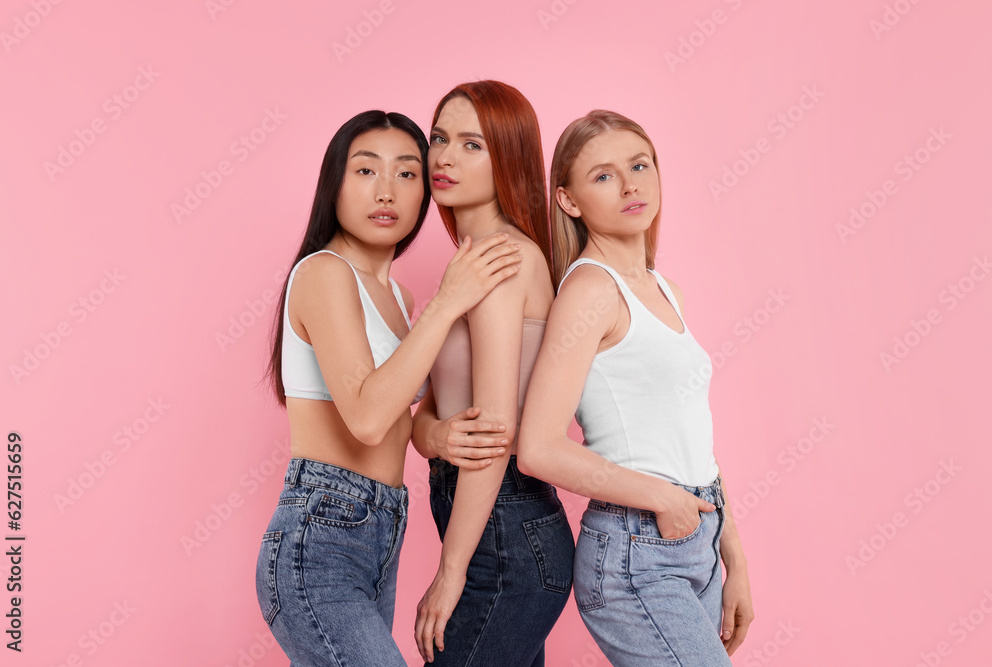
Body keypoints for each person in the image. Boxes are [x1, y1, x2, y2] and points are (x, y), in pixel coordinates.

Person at [254, 109, 522, 666]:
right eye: (365, 170)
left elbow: (402, 418)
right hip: (320, 536)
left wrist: (437, 434)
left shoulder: (399, 300)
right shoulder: (324, 273)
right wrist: (448, 303)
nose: (386, 191)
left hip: (381, 531)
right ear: (334, 183)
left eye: (406, 173)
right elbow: (368, 418)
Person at [516, 110, 755, 666]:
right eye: (603, 175)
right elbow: (539, 448)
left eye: (640, 165)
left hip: (697, 536)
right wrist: (663, 498)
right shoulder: (591, 291)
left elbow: (692, 438)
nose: (630, 185)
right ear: (568, 200)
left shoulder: (664, 289)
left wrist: (735, 560)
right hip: (636, 550)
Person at [410, 81, 575, 666]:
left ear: (507, 156)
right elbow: (430, 412)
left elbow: (496, 430)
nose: (445, 157)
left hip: (505, 532)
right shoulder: (472, 263)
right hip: (501, 529)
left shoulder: (500, 257)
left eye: (471, 144)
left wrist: (450, 571)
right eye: (439, 139)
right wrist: (434, 435)